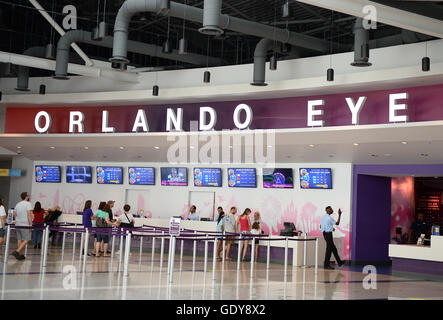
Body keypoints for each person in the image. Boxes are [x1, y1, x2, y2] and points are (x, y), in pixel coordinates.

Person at [12, 192, 33, 260]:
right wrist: (30, 224)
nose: (29, 196)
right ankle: (17, 251)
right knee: (27, 239)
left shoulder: (18, 204)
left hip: (18, 224)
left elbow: (14, 214)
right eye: (28, 195)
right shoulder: (28, 204)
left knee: (20, 239)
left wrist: (17, 220)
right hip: (25, 224)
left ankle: (20, 255)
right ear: (26, 197)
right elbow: (29, 214)